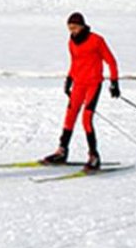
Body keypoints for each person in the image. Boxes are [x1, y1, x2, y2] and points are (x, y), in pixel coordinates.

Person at [42, 12, 120, 170]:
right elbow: (75, 63)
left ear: (82, 26)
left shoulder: (97, 40)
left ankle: (94, 156)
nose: (72, 31)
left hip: (93, 84)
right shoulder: (71, 42)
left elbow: (111, 61)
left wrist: (114, 82)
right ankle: (62, 151)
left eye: (75, 28)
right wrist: (69, 79)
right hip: (78, 84)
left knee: (86, 119)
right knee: (70, 116)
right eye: (70, 28)